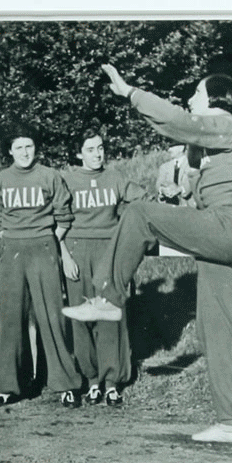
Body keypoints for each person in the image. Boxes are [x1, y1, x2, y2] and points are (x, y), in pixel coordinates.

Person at [65, 67, 232, 444]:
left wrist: (130, 93)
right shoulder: (220, 141)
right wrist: (191, 168)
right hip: (229, 240)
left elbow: (178, 122)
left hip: (228, 229)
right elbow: (202, 187)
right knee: (215, 330)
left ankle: (108, 297)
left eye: (196, 94)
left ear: (215, 101)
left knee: (139, 213)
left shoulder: (228, 125)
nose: (190, 100)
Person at [0, 128, 81, 407]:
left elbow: (64, 215)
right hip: (12, 251)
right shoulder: (0, 179)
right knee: (10, 317)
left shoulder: (49, 176)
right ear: (10, 151)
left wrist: (46, 238)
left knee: (51, 316)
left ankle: (66, 384)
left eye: (29, 146)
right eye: (19, 147)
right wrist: (13, 238)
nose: (25, 152)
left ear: (36, 148)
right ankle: (7, 385)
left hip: (43, 248)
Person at [60, 127, 145, 406]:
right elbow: (55, 221)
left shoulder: (115, 177)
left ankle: (111, 382)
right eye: (90, 149)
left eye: (100, 148)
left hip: (109, 250)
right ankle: (91, 379)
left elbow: (140, 200)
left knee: (110, 313)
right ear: (78, 154)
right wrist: (65, 257)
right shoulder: (67, 180)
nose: (97, 154)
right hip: (76, 250)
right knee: (82, 315)